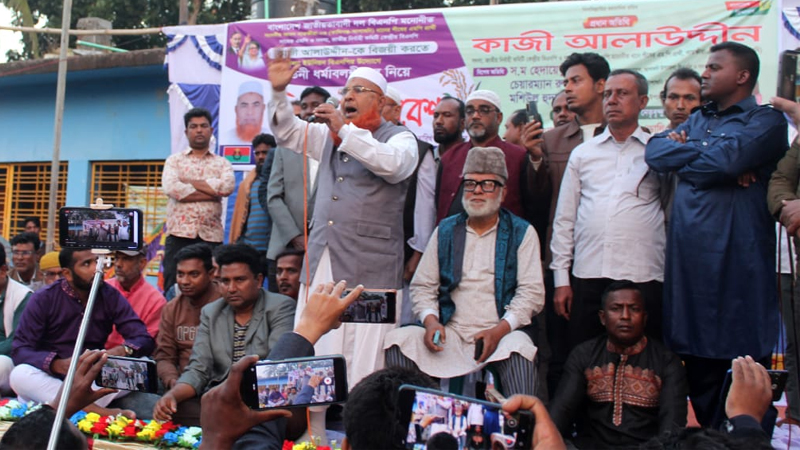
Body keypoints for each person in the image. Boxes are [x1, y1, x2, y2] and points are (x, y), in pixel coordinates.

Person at [645, 42, 788, 430]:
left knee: (746, 378)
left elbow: (726, 161)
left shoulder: (766, 121)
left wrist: (693, 155)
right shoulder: (698, 119)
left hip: (740, 271)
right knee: (699, 375)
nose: (704, 73)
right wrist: (713, 158)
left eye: (713, 67)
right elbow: (655, 153)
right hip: (691, 271)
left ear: (742, 76)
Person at [266, 53, 418, 388]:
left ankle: (361, 419)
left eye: (358, 90)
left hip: (373, 266)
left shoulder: (400, 138)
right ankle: (317, 420)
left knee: (366, 356)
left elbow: (394, 166)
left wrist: (343, 129)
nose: (348, 96)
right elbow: (287, 132)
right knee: (317, 345)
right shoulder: (329, 136)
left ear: (381, 101)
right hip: (325, 257)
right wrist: (278, 93)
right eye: (346, 90)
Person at [385, 146, 544, 396]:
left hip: (502, 334)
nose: (477, 191)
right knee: (400, 341)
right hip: (450, 333)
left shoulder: (522, 232)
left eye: (487, 184)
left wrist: (498, 331)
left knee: (519, 349)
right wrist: (431, 321)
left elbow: (531, 294)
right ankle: (411, 417)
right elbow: (423, 285)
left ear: (503, 192)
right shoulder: (446, 230)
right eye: (470, 184)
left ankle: (519, 421)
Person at [550, 69, 665, 351]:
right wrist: (562, 280)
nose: (612, 100)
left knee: (645, 360)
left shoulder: (659, 151)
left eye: (622, 94)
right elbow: (564, 220)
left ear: (643, 101)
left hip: (644, 274)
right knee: (586, 358)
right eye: (608, 94)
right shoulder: (584, 153)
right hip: (589, 274)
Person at [520, 52, 610, 398]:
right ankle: (560, 421)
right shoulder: (552, 140)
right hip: (562, 264)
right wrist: (535, 160)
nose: (568, 88)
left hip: (611, 262)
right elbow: (539, 204)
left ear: (600, 85)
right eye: (565, 82)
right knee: (561, 351)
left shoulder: (626, 135)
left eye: (576, 81)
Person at [153, 244, 295, 426]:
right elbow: (198, 369)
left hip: (263, 396)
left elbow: (276, 366)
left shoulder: (280, 307)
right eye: (225, 281)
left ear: (259, 280)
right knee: (174, 408)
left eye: (240, 280)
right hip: (221, 399)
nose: (231, 288)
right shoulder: (211, 312)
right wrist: (172, 396)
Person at [10, 248, 155, 417]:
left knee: (143, 368)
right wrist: (57, 364)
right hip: (53, 377)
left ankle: (65, 407)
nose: (97, 269)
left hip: (93, 375)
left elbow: (143, 338)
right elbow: (20, 349)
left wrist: (123, 350)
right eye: (87, 264)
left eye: (98, 262)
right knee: (19, 375)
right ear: (68, 273)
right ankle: (97, 411)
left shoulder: (109, 295)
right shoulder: (44, 298)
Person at [549, 281, 688, 449]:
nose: (625, 316)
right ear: (602, 317)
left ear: (644, 318)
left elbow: (671, 428)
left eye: (634, 309)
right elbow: (561, 411)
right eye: (616, 309)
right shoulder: (584, 355)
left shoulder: (666, 361)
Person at [162, 107, 235, 293]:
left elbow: (226, 187)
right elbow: (172, 188)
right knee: (173, 286)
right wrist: (212, 191)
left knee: (214, 286)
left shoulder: (222, 163)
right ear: (186, 132)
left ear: (211, 130)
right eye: (194, 126)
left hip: (211, 236)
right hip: (179, 235)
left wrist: (188, 182)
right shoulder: (174, 161)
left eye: (204, 126)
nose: (199, 130)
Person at [436, 90, 529, 224]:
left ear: (499, 118)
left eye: (484, 110)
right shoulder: (450, 157)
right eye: (470, 111)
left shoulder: (518, 156)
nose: (475, 116)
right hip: (453, 234)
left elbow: (532, 206)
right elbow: (440, 205)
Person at [264, 87, 329, 264]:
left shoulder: (339, 145)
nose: (308, 111)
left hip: (326, 248)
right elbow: (273, 197)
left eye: (315, 105)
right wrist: (294, 236)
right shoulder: (284, 147)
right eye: (304, 106)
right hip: (285, 247)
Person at [766, 96, 800, 426]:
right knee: (795, 343)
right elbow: (779, 181)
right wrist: (788, 207)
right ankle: (797, 414)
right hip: (791, 260)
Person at [230, 134, 277, 291]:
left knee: (275, 291)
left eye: (265, 152)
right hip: (250, 250)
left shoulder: (281, 180)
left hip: (274, 250)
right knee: (248, 292)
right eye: (257, 153)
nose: (261, 157)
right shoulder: (248, 183)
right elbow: (240, 218)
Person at [106, 245, 166, 349]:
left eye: (126, 259)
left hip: (133, 355)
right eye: (117, 258)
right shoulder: (101, 289)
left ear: (142, 263)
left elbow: (146, 342)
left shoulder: (156, 301)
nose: (118, 264)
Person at [0, 245, 32, 394]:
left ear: (3, 271)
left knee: (2, 364)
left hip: (8, 360)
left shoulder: (24, 296)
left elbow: (16, 342)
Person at [222, 81, 272, 146]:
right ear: (236, 110)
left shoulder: (273, 138)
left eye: (256, 105)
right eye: (244, 105)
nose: (250, 112)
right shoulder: (225, 138)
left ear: (263, 108)